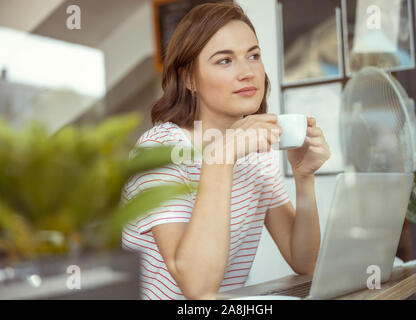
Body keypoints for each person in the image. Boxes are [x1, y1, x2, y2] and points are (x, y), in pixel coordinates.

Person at [121, 2, 330, 300]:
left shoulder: (256, 150)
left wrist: (303, 177)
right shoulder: (159, 151)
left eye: (253, 56)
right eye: (224, 61)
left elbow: (305, 262)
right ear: (189, 78)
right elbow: (198, 288)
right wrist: (221, 158)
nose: (247, 72)